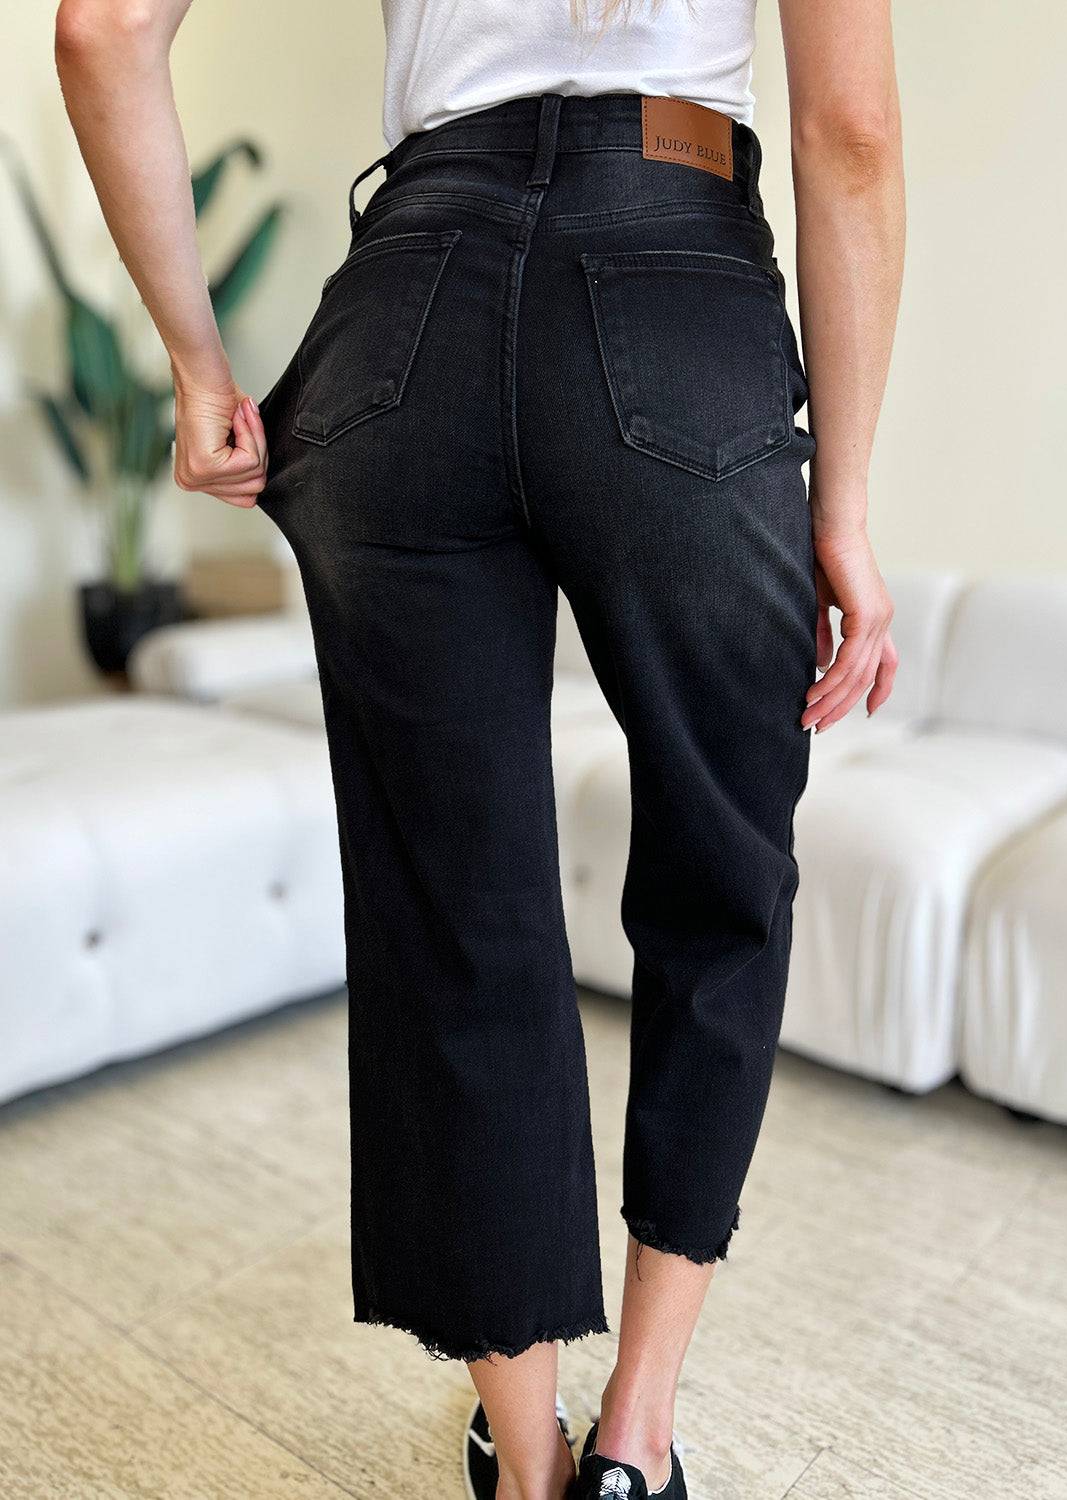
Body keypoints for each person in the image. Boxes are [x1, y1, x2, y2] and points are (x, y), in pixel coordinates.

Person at [55, 0, 903, 1495]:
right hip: (677, 280)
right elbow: (851, 135)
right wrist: (838, 508)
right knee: (720, 878)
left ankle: (525, 1465)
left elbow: (104, 28)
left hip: (412, 309)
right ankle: (633, 1441)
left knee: (457, 917)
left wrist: (196, 363)